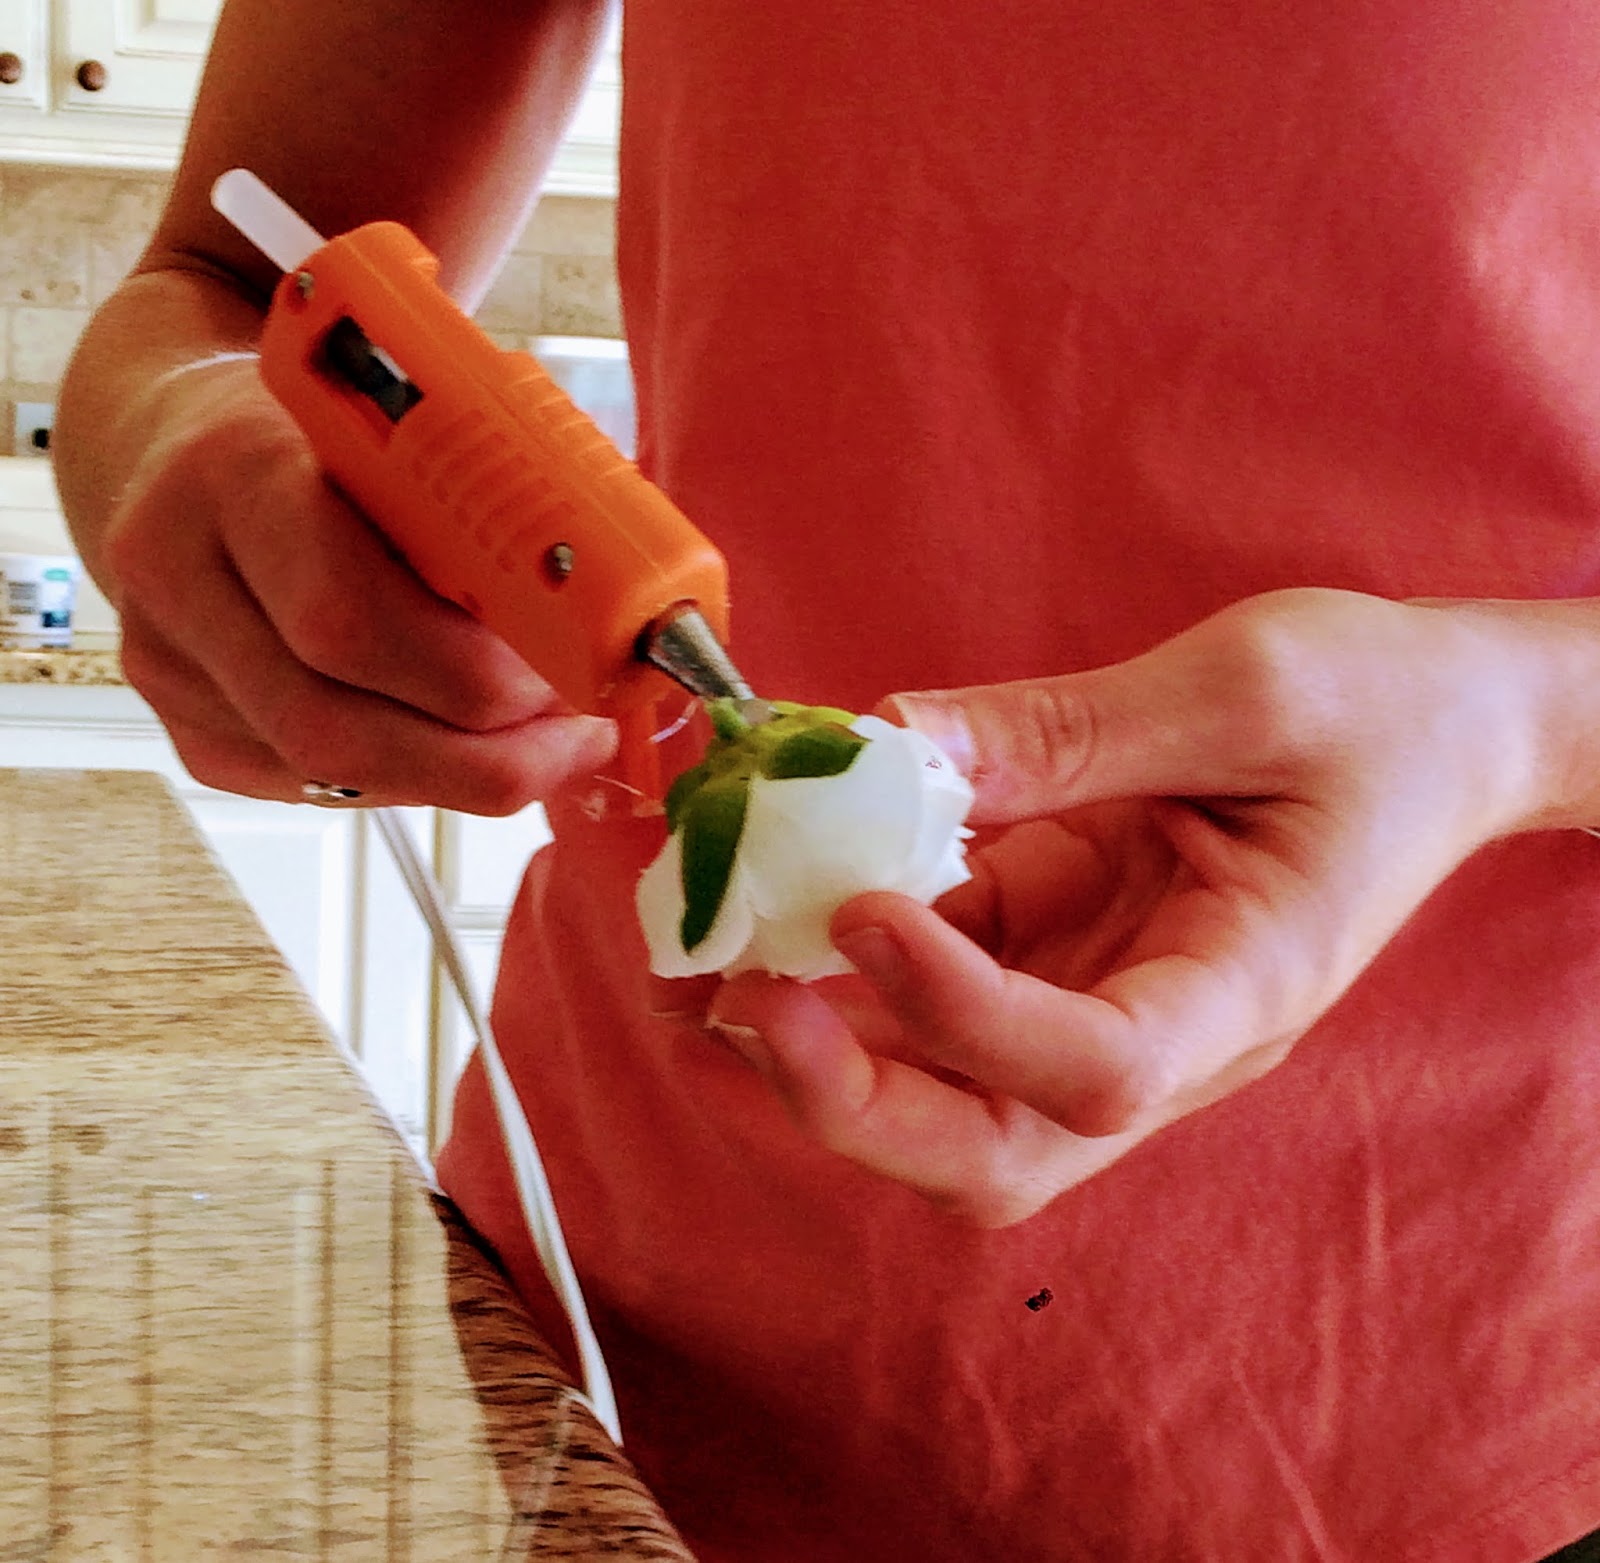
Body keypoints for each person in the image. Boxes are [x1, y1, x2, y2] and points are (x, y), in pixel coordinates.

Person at [52, 1, 1600, 1558]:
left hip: (1477, 1409)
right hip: (615, 1352)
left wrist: (1517, 720)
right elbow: (224, 286)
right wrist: (190, 445)